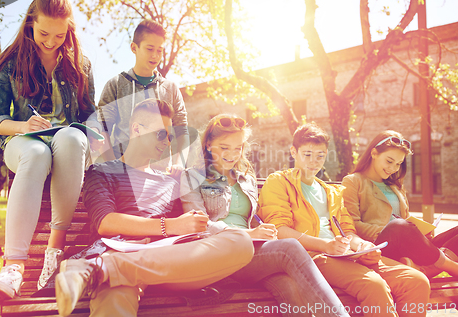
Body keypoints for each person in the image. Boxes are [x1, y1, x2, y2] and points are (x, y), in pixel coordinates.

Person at [54, 99, 254, 317]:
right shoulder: (102, 171)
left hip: (166, 262)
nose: (167, 142)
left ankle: (99, 269)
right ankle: (107, 269)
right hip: (119, 249)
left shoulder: (172, 180)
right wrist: (171, 225)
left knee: (241, 242)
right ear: (137, 129)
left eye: (170, 136)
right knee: (114, 299)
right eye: (161, 134)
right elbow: (105, 223)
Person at [0, 0, 99, 304]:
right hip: (23, 143)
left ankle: (53, 253)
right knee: (36, 150)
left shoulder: (81, 65)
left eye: (59, 36)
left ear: (68, 31)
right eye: (44, 33)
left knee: (73, 137)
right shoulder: (11, 62)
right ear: (31, 22)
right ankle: (13, 268)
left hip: (68, 147)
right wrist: (23, 126)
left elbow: (90, 119)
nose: (49, 42)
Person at [180, 114, 348, 317]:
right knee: (290, 247)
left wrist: (263, 231)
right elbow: (197, 225)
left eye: (238, 147)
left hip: (250, 255)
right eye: (224, 147)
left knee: (290, 286)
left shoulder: (246, 179)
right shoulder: (191, 176)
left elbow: (253, 221)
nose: (232, 155)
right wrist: (247, 234)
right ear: (207, 145)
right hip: (217, 254)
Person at [258, 123, 430, 317]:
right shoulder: (279, 182)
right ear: (293, 152)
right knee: (374, 285)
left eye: (320, 156)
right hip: (311, 256)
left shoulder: (332, 192)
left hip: (345, 254)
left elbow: (347, 230)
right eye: (307, 154)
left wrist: (363, 246)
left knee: (416, 281)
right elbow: (280, 230)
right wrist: (326, 246)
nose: (313, 162)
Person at [342, 130, 458, 277]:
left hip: (408, 247)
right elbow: (352, 225)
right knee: (399, 226)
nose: (393, 168)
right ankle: (450, 266)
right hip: (380, 248)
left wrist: (419, 232)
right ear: (374, 153)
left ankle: (426, 269)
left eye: (398, 164)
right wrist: (394, 231)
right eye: (389, 161)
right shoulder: (353, 181)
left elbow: (407, 220)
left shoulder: (396, 187)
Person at [96, 19, 189, 177]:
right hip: (125, 175)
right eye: (149, 49)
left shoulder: (171, 89)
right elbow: (102, 130)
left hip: (162, 176)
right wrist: (114, 166)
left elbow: (182, 131)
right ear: (134, 47)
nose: (155, 56)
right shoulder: (116, 85)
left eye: (159, 50)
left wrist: (179, 163)